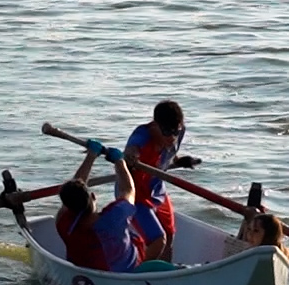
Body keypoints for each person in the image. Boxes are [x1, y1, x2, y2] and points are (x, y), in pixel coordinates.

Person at [54, 142, 166, 273]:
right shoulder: (115, 216)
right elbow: (128, 190)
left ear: (67, 205)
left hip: (88, 272)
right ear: (93, 196)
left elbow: (73, 192)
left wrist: (91, 156)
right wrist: (119, 161)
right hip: (129, 272)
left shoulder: (63, 223)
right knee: (158, 238)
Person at [123, 100, 196, 258]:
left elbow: (166, 156)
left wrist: (178, 161)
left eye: (175, 132)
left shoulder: (180, 131)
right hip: (135, 195)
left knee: (169, 236)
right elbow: (131, 150)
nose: (172, 137)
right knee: (158, 240)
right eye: (166, 132)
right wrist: (131, 157)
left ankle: (165, 274)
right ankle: (138, 276)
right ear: (155, 125)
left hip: (156, 190)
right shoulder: (142, 135)